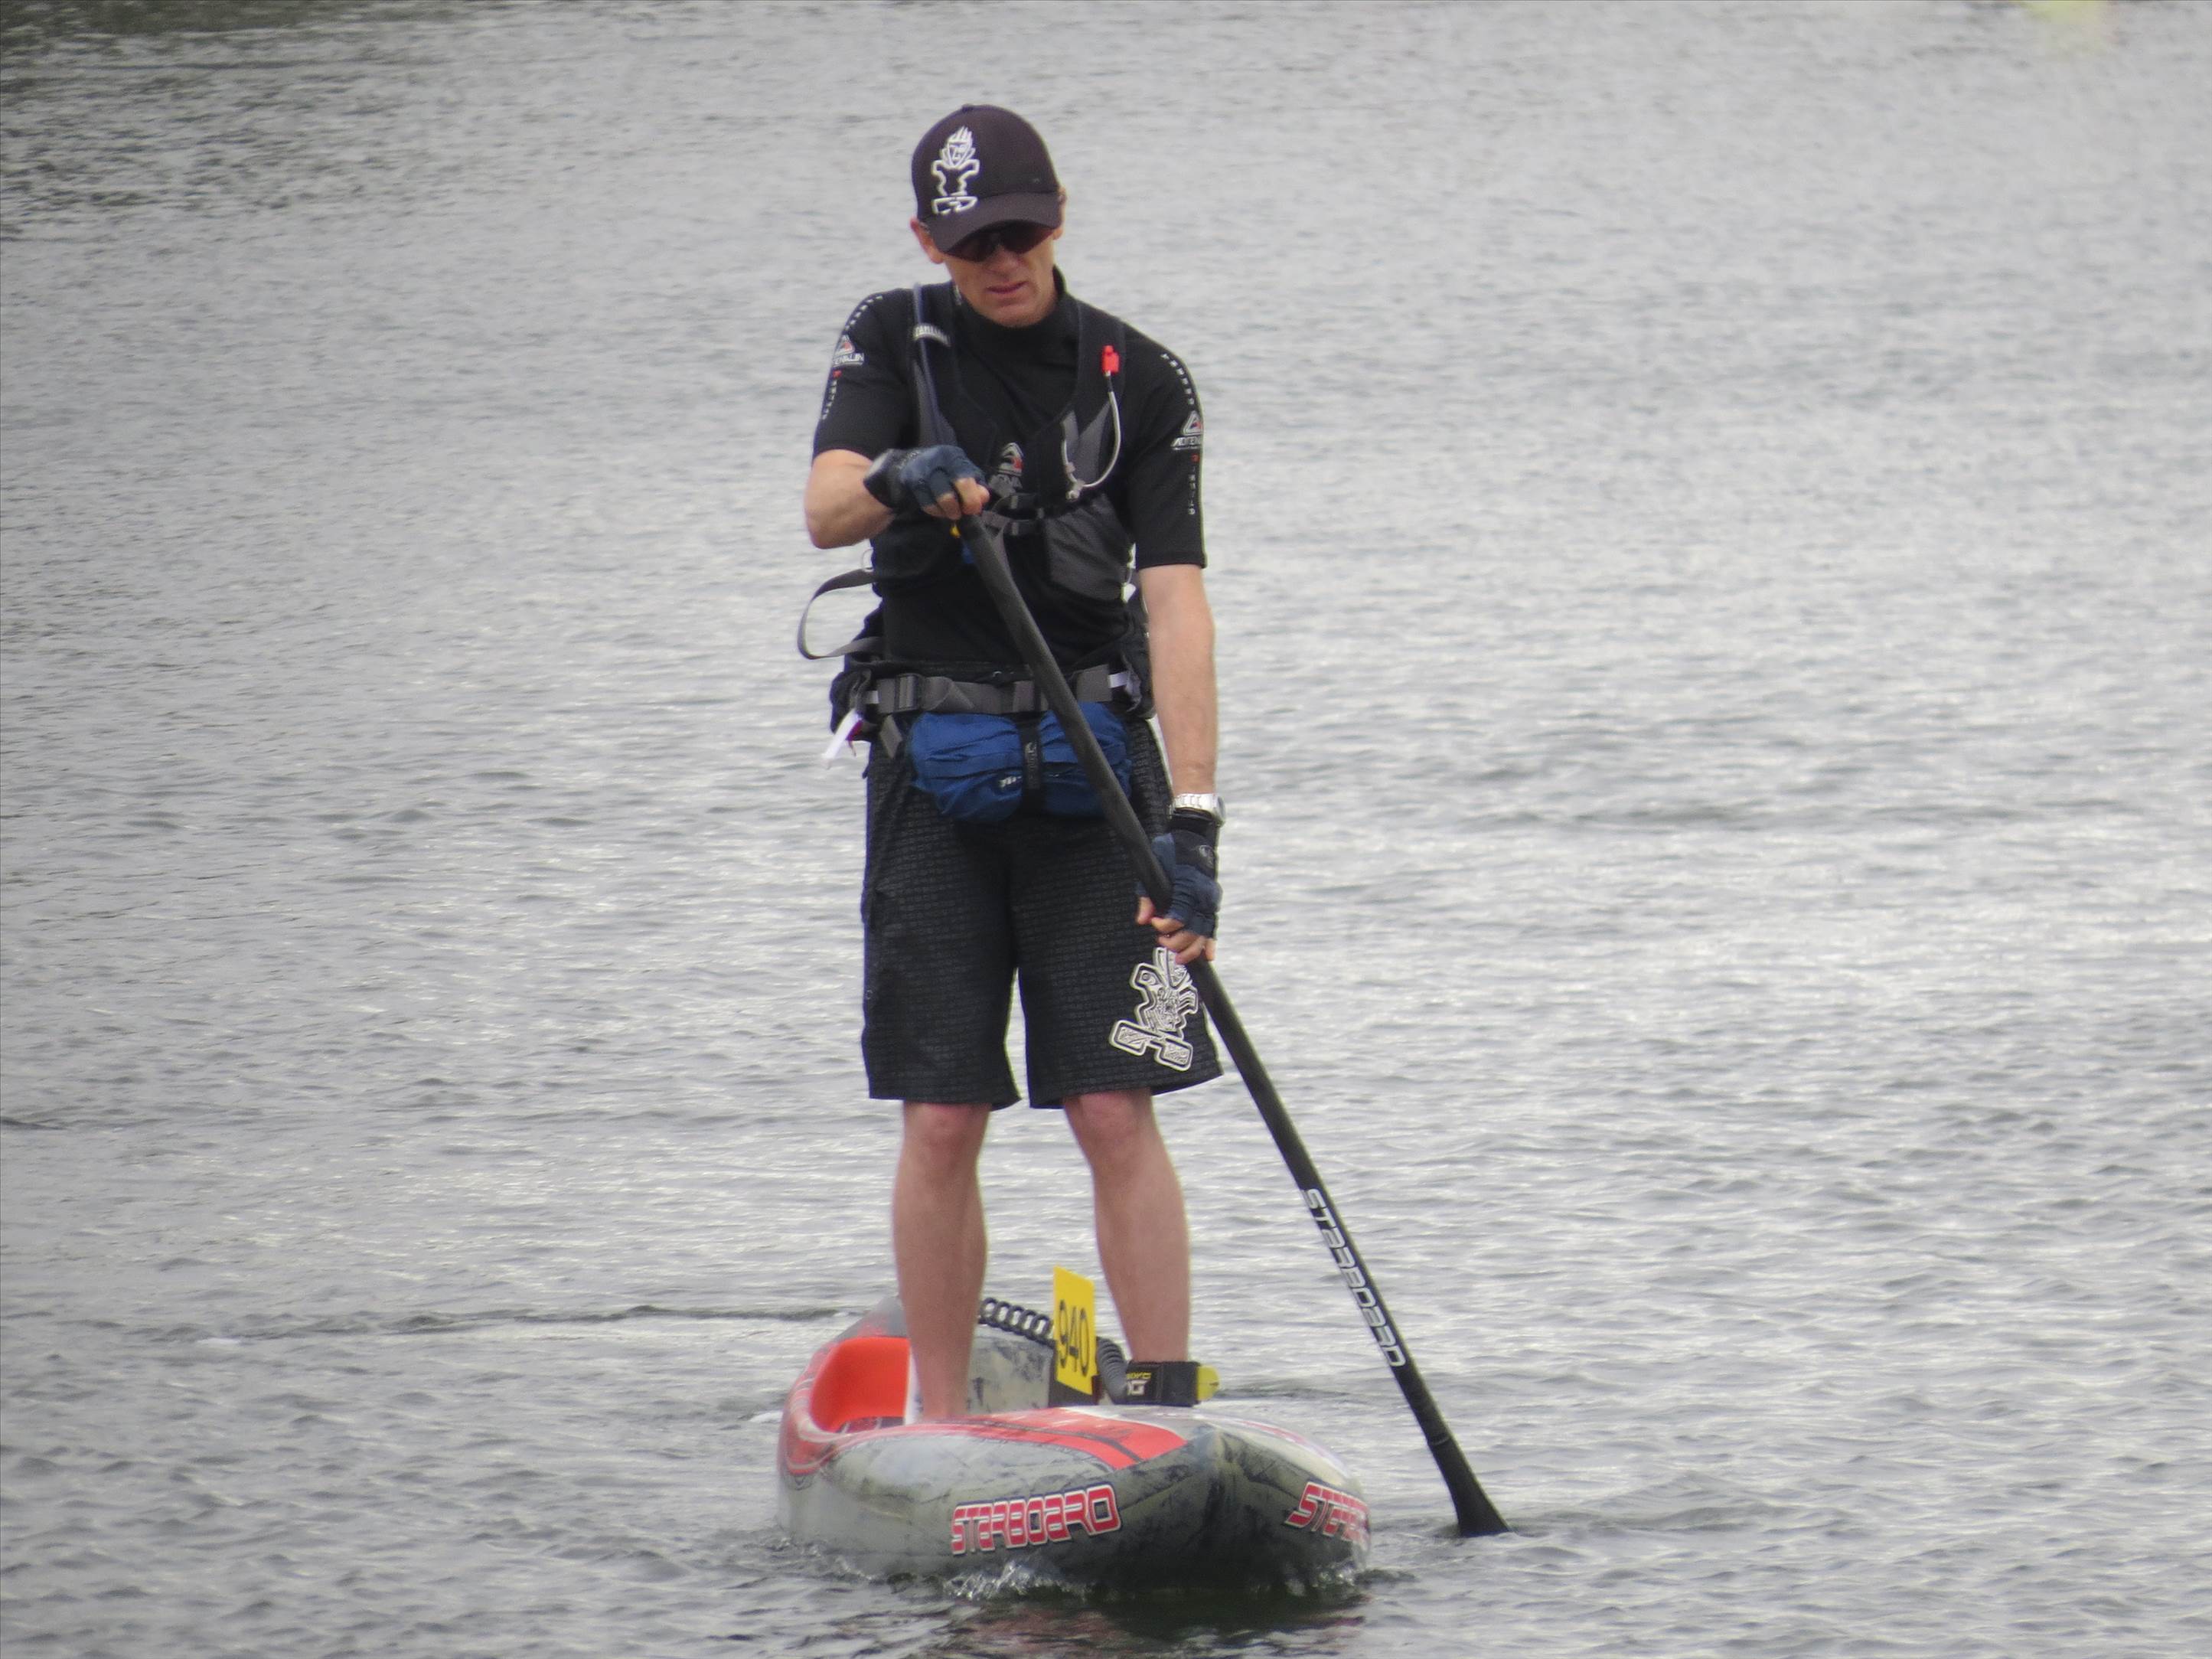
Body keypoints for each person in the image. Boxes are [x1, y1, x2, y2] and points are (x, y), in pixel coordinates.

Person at [803, 105, 1227, 1419]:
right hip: (933, 771)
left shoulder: (1139, 380)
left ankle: (1162, 1410)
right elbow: (823, 510)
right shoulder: (889, 338)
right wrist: (895, 478)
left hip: (1100, 779)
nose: (1004, 262)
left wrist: (1197, 824)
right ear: (929, 239)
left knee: (1113, 1104)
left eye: (1025, 234)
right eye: (975, 240)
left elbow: (1177, 606)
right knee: (943, 1117)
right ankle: (937, 1419)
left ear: (1059, 220)